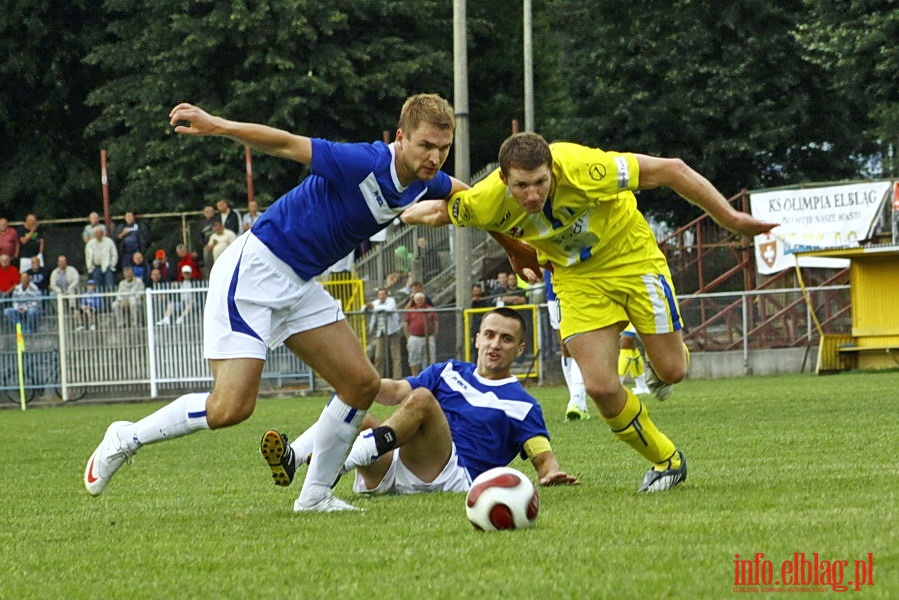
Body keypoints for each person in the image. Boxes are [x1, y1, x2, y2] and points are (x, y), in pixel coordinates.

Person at [83, 94, 466, 512]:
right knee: (230, 408)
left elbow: (471, 199)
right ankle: (126, 437)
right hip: (255, 271)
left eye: (444, 148)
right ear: (401, 138)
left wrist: (514, 245)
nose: (435, 157)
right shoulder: (363, 162)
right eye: (426, 145)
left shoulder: (429, 180)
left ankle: (315, 496)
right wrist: (218, 125)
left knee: (362, 385)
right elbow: (285, 143)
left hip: (300, 282)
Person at [401, 131, 778, 492]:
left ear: (553, 170)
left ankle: (663, 355)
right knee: (599, 385)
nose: (532, 195)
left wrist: (731, 219)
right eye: (521, 186)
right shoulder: (486, 199)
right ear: (503, 179)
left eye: (540, 182)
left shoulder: (584, 168)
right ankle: (667, 461)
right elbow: (438, 213)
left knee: (673, 371)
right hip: (575, 279)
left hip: (632, 258)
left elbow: (672, 169)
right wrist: (397, 212)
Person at [260, 308, 579, 495]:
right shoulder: (449, 370)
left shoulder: (523, 404)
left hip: (452, 475)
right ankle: (294, 456)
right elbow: (396, 391)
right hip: (393, 463)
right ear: (477, 338)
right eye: (491, 335)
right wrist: (356, 384)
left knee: (423, 399)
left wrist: (551, 472)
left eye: (506, 339)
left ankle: (336, 465)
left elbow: (543, 456)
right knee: (357, 407)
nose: (496, 344)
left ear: (520, 348)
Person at [544, 270, 589, 420]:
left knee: (577, 343)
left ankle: (576, 399)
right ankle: (576, 401)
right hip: (553, 291)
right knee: (565, 346)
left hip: (578, 287)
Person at [366, 288, 403, 379]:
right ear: (378, 296)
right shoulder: (375, 302)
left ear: (387, 295)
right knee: (378, 356)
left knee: (396, 356)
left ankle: (397, 378)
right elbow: (364, 309)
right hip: (380, 332)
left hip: (393, 331)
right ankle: (378, 378)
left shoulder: (391, 301)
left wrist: (373, 307)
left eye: (383, 294)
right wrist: (367, 307)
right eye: (380, 294)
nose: (382, 296)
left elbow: (388, 309)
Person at [403, 291, 438, 376]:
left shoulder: (430, 309)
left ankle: (428, 377)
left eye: (421, 299)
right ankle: (415, 377)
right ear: (414, 301)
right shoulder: (410, 311)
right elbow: (406, 324)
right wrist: (408, 337)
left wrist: (434, 335)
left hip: (428, 337)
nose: (420, 301)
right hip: (414, 337)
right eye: (417, 300)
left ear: (424, 299)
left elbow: (436, 322)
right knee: (413, 359)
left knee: (429, 359)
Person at [619, 323, 652, 396]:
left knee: (625, 342)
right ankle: (642, 386)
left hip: (632, 315)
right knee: (630, 345)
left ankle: (618, 383)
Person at [84, 226, 118, 290]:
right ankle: (100, 300)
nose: (98, 235)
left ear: (103, 233)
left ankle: (111, 300)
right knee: (98, 287)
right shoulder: (90, 243)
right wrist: (90, 267)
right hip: (95, 268)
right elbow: (88, 257)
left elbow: (114, 254)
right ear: (94, 234)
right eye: (96, 233)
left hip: (108, 267)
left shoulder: (109, 241)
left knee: (110, 286)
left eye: (99, 233)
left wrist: (111, 265)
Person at [197, 205, 217, 272]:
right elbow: (199, 237)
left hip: (217, 244)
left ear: (213, 212)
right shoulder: (200, 223)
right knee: (208, 264)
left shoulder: (218, 221)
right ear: (204, 213)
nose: (209, 213)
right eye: (207, 211)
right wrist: (204, 246)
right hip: (206, 246)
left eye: (211, 211)